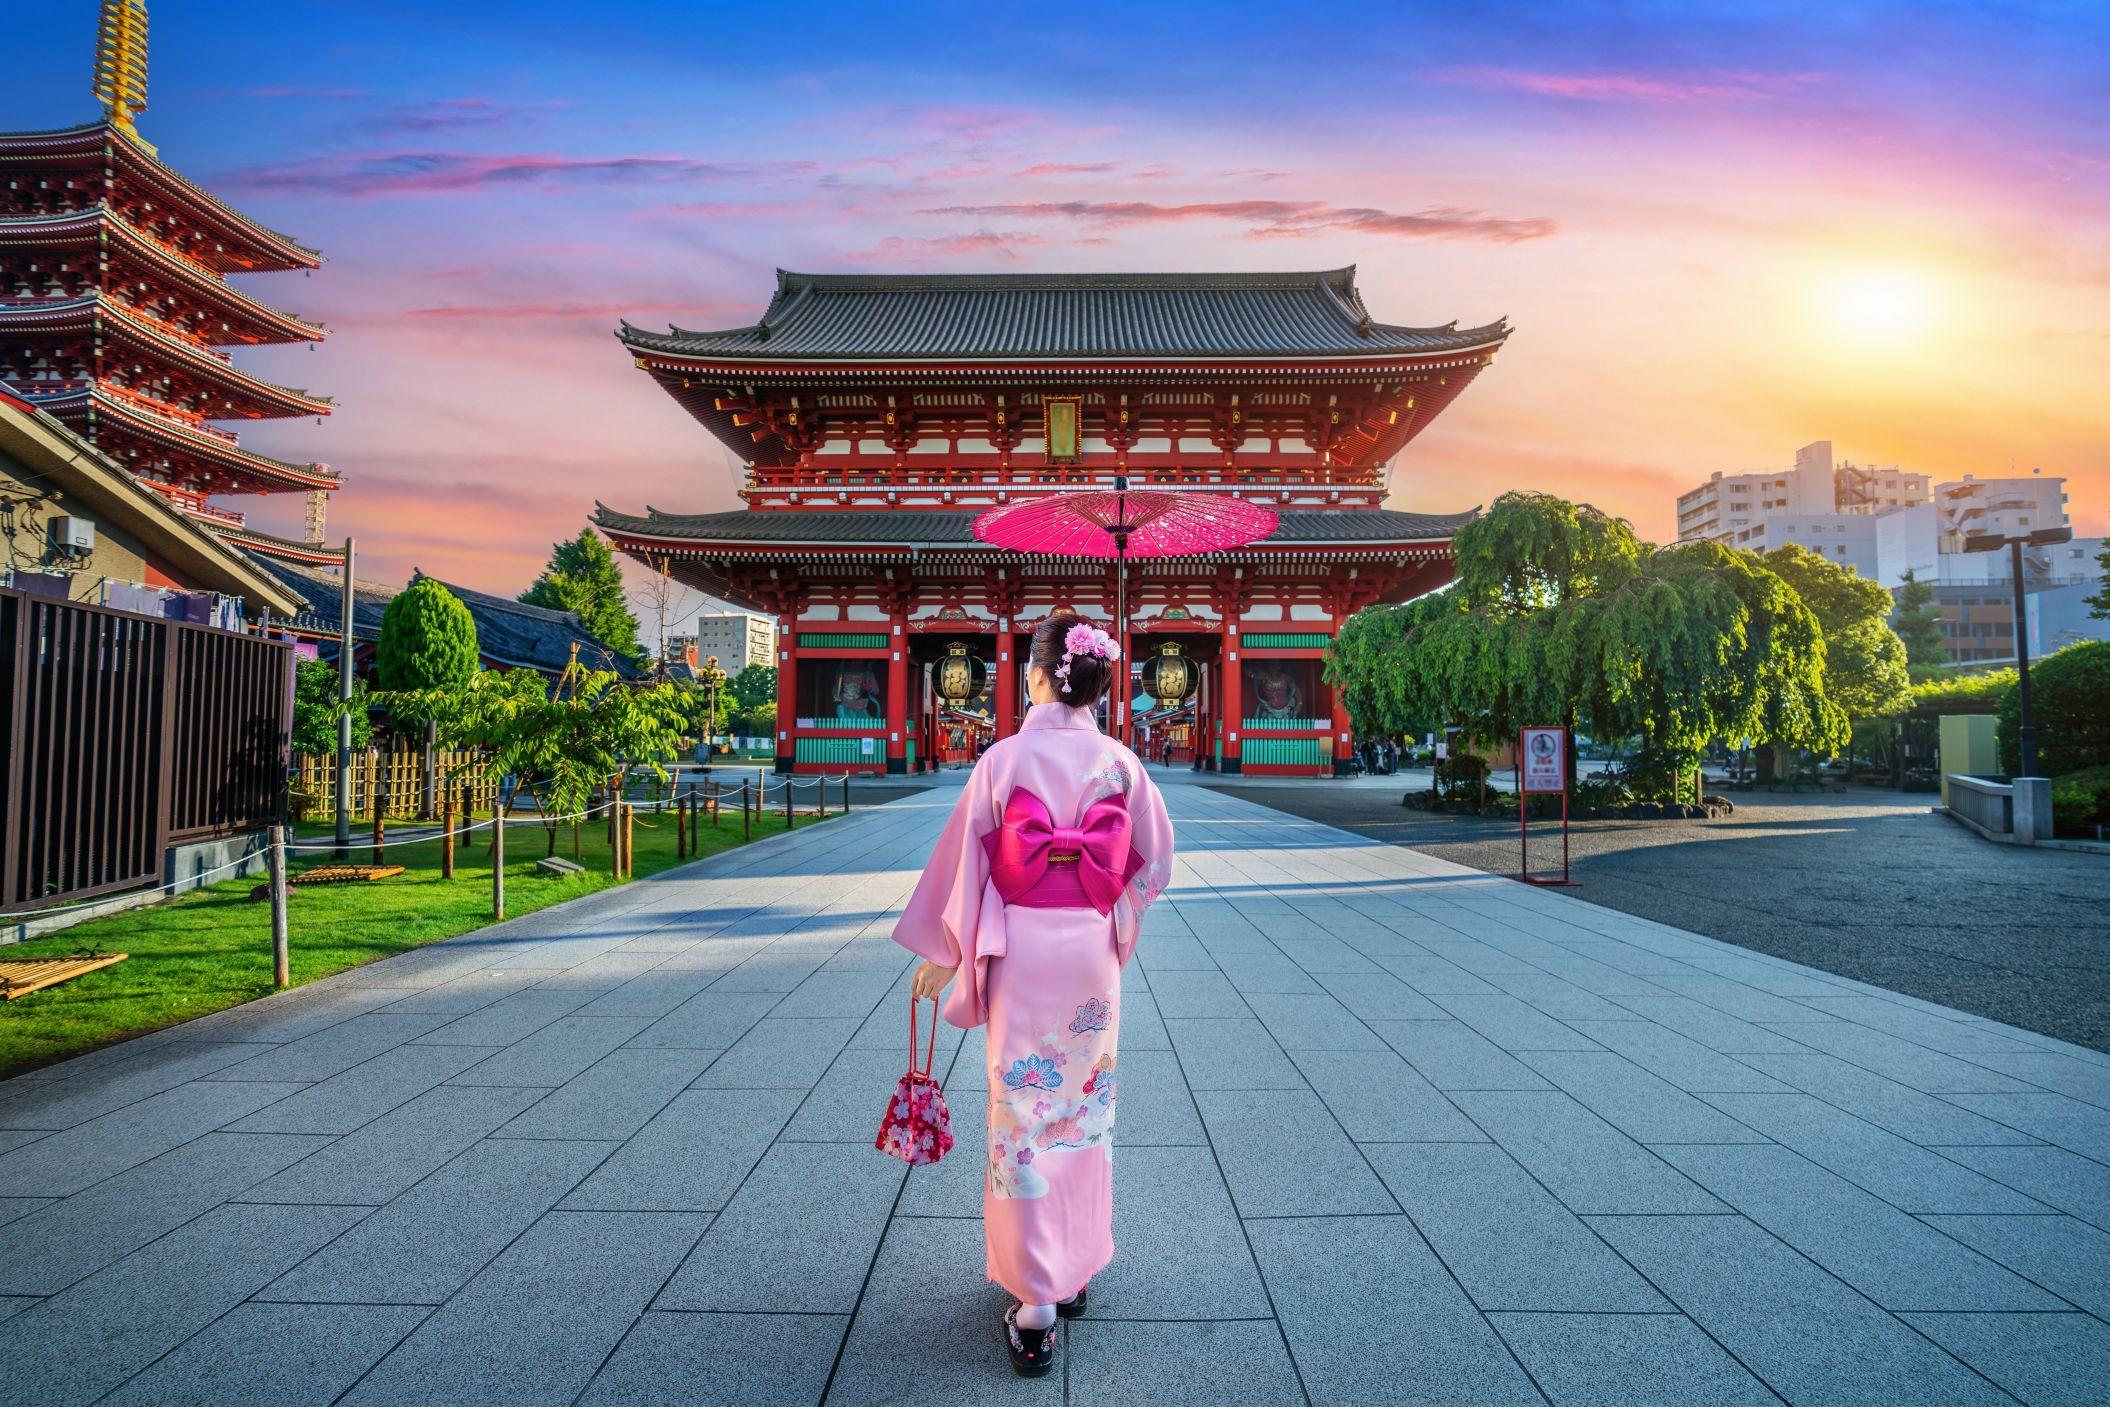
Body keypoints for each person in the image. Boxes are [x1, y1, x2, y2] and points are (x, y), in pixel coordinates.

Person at [891, 614, 1176, 1378]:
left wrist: (948, 954)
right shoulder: (1120, 762)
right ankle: (1073, 1266)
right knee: (1083, 1107)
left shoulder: (1002, 760)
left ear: (1038, 677)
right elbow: (1154, 861)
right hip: (1087, 951)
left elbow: (965, 870)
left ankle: (1036, 1305)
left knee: (1022, 1112)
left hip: (1019, 948)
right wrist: (1112, 911)